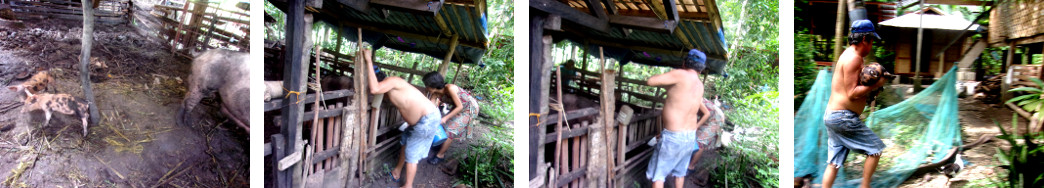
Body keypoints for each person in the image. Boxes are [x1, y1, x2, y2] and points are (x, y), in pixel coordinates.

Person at [821, 19, 894, 188]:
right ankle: (865, 186)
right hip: (842, 117)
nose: (872, 46)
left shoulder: (849, 54)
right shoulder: (853, 58)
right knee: (875, 150)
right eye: (872, 41)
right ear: (864, 40)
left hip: (833, 115)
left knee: (834, 163)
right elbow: (852, 93)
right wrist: (876, 84)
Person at [361, 49, 441, 188]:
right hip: (421, 121)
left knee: (412, 154)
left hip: (427, 119)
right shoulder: (390, 89)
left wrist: (368, 60)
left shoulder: (393, 81)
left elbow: (374, 89)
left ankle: (408, 185)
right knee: (405, 141)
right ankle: (397, 171)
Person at [644, 49, 711, 188]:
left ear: (685, 62)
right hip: (689, 137)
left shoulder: (680, 74)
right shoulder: (699, 85)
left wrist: (668, 74)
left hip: (673, 137)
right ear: (701, 69)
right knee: (680, 174)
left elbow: (650, 81)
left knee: (659, 176)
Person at [422, 71, 480, 165]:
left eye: (426, 85)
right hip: (459, 107)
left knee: (450, 130)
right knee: (443, 127)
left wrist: (445, 118)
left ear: (433, 85)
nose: (426, 88)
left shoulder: (450, 88)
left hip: (469, 109)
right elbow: (430, 108)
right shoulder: (435, 94)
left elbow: (460, 107)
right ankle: (440, 144)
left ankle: (440, 155)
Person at [687, 95, 725, 183]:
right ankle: (689, 159)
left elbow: (706, 114)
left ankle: (691, 166)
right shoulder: (688, 99)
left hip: (716, 119)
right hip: (708, 117)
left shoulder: (695, 98)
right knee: (695, 136)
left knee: (701, 141)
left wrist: (696, 126)